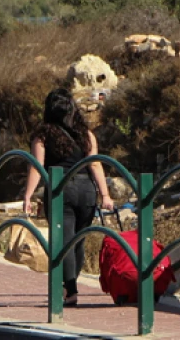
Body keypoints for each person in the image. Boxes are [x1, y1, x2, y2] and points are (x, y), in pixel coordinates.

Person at [23, 88, 113, 306]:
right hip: (86, 190)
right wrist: (105, 194)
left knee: (64, 242)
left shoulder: (43, 135)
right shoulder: (86, 134)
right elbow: (95, 163)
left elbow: (37, 168)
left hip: (60, 189)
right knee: (78, 242)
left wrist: (27, 196)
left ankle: (70, 291)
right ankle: (69, 286)